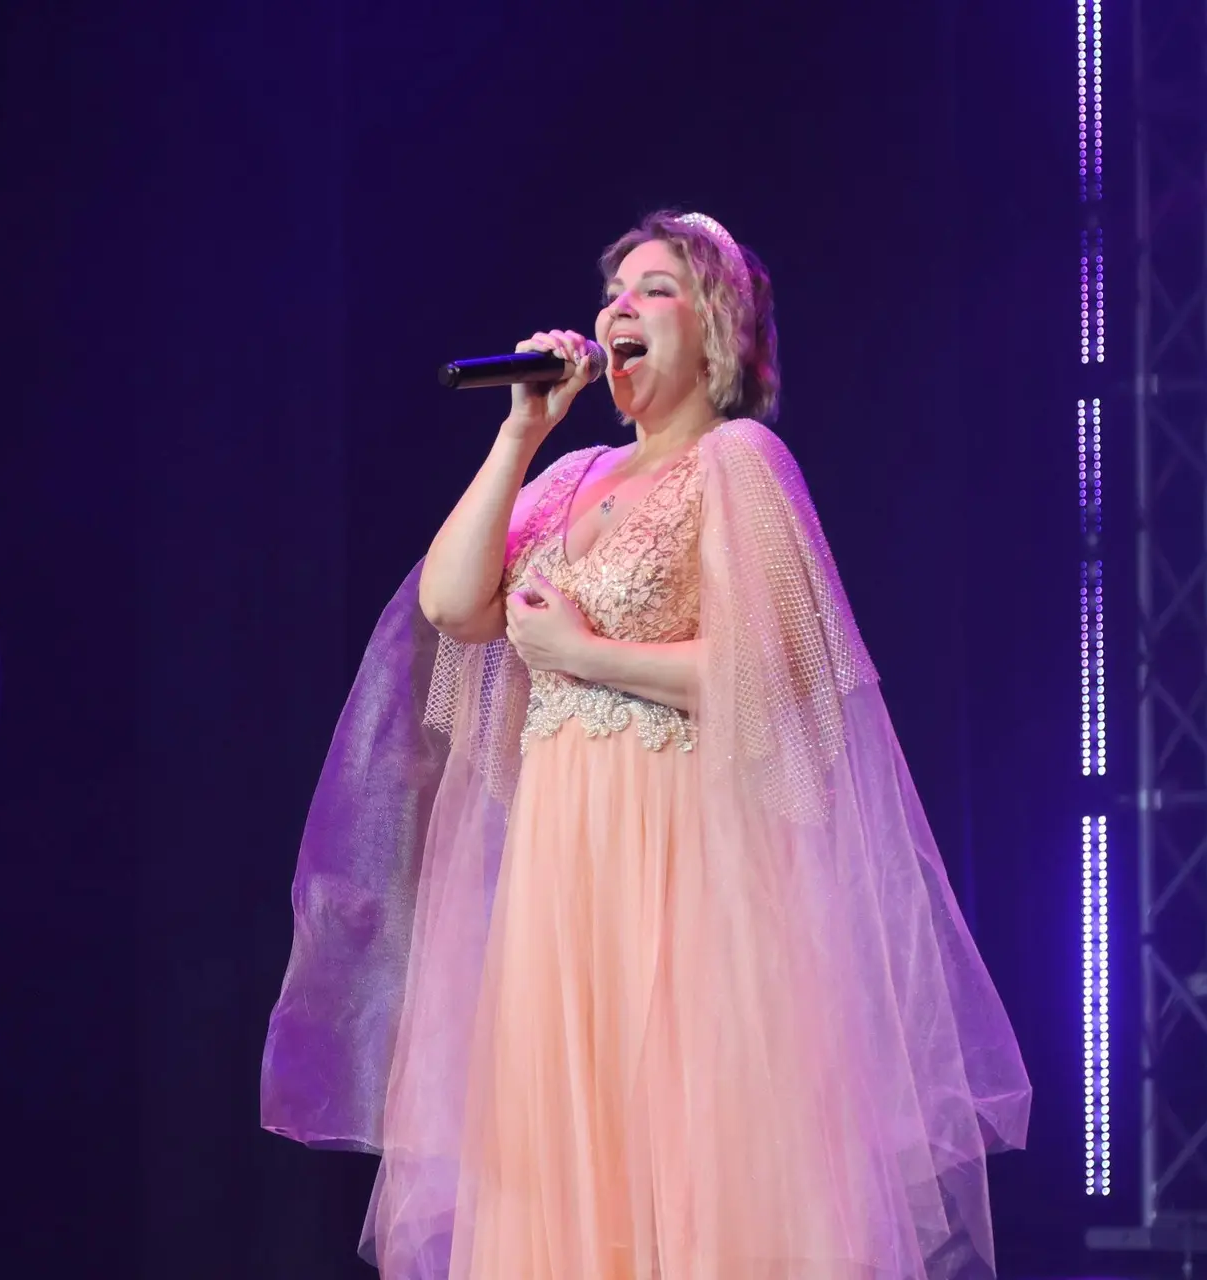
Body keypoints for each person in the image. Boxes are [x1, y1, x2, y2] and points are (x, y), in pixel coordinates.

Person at [261, 211, 1030, 1280]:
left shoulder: (738, 462)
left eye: (653, 287)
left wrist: (587, 654)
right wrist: (523, 432)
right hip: (561, 875)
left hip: (684, 865)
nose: (617, 306)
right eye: (613, 290)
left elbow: (783, 677)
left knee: (695, 1163)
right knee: (573, 1175)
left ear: (718, 326)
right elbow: (450, 601)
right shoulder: (570, 477)